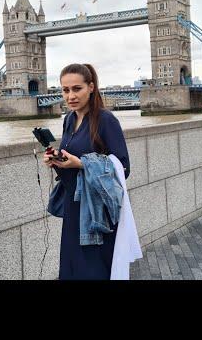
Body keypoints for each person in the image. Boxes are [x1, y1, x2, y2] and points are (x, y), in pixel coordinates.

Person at [43, 63, 131, 280]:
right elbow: (72, 162)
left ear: (91, 87)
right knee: (73, 267)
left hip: (96, 211)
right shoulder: (69, 120)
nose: (70, 96)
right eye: (65, 90)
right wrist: (57, 160)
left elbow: (123, 166)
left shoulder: (106, 120)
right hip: (73, 207)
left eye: (77, 89)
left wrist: (82, 164)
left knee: (94, 269)